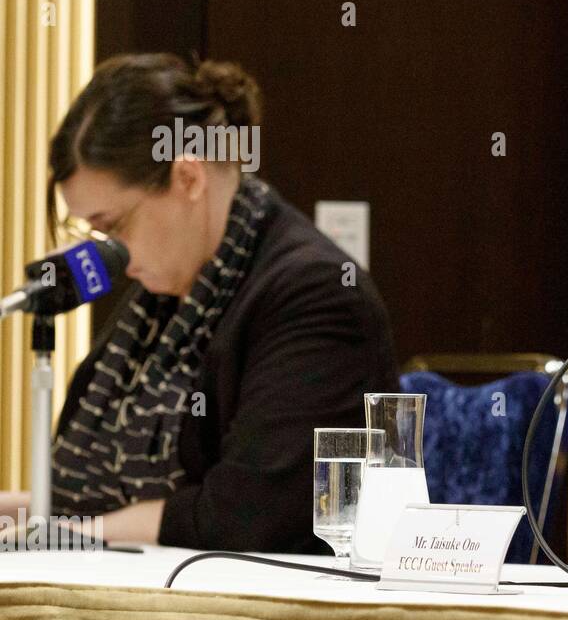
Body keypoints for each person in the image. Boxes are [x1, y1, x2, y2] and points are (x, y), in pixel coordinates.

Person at [0, 53, 398, 552]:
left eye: (112, 227)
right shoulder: (162, 297)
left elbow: (242, 514)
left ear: (188, 179)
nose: (106, 255)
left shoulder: (319, 296)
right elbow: (89, 503)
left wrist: (61, 538)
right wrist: (27, 518)